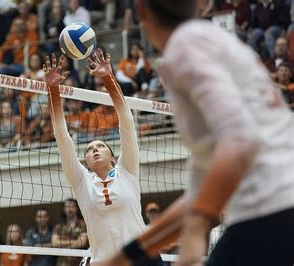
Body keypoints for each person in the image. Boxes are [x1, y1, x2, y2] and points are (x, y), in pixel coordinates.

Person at [92, 0, 294, 265]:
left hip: (271, 205)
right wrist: (125, 257)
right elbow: (198, 196)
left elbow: (240, 139)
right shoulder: (217, 40)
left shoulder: (184, 47)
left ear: (141, 9)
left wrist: (197, 229)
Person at [43, 51, 162, 265]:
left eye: (101, 146)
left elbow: (126, 121)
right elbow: (62, 136)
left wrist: (108, 78)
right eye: (90, 149)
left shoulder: (127, 170)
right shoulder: (81, 181)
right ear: (85, 161)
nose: (95, 150)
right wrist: (53, 89)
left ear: (113, 156)